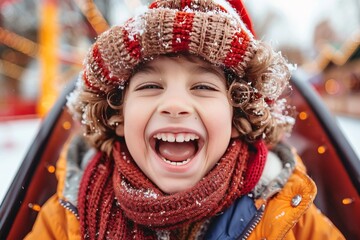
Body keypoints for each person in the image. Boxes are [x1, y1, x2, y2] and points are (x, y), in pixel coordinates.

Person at [26, 0, 345, 239]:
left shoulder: (288, 213)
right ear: (118, 115)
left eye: (203, 87)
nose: (176, 104)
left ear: (238, 117)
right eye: (150, 86)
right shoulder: (66, 218)